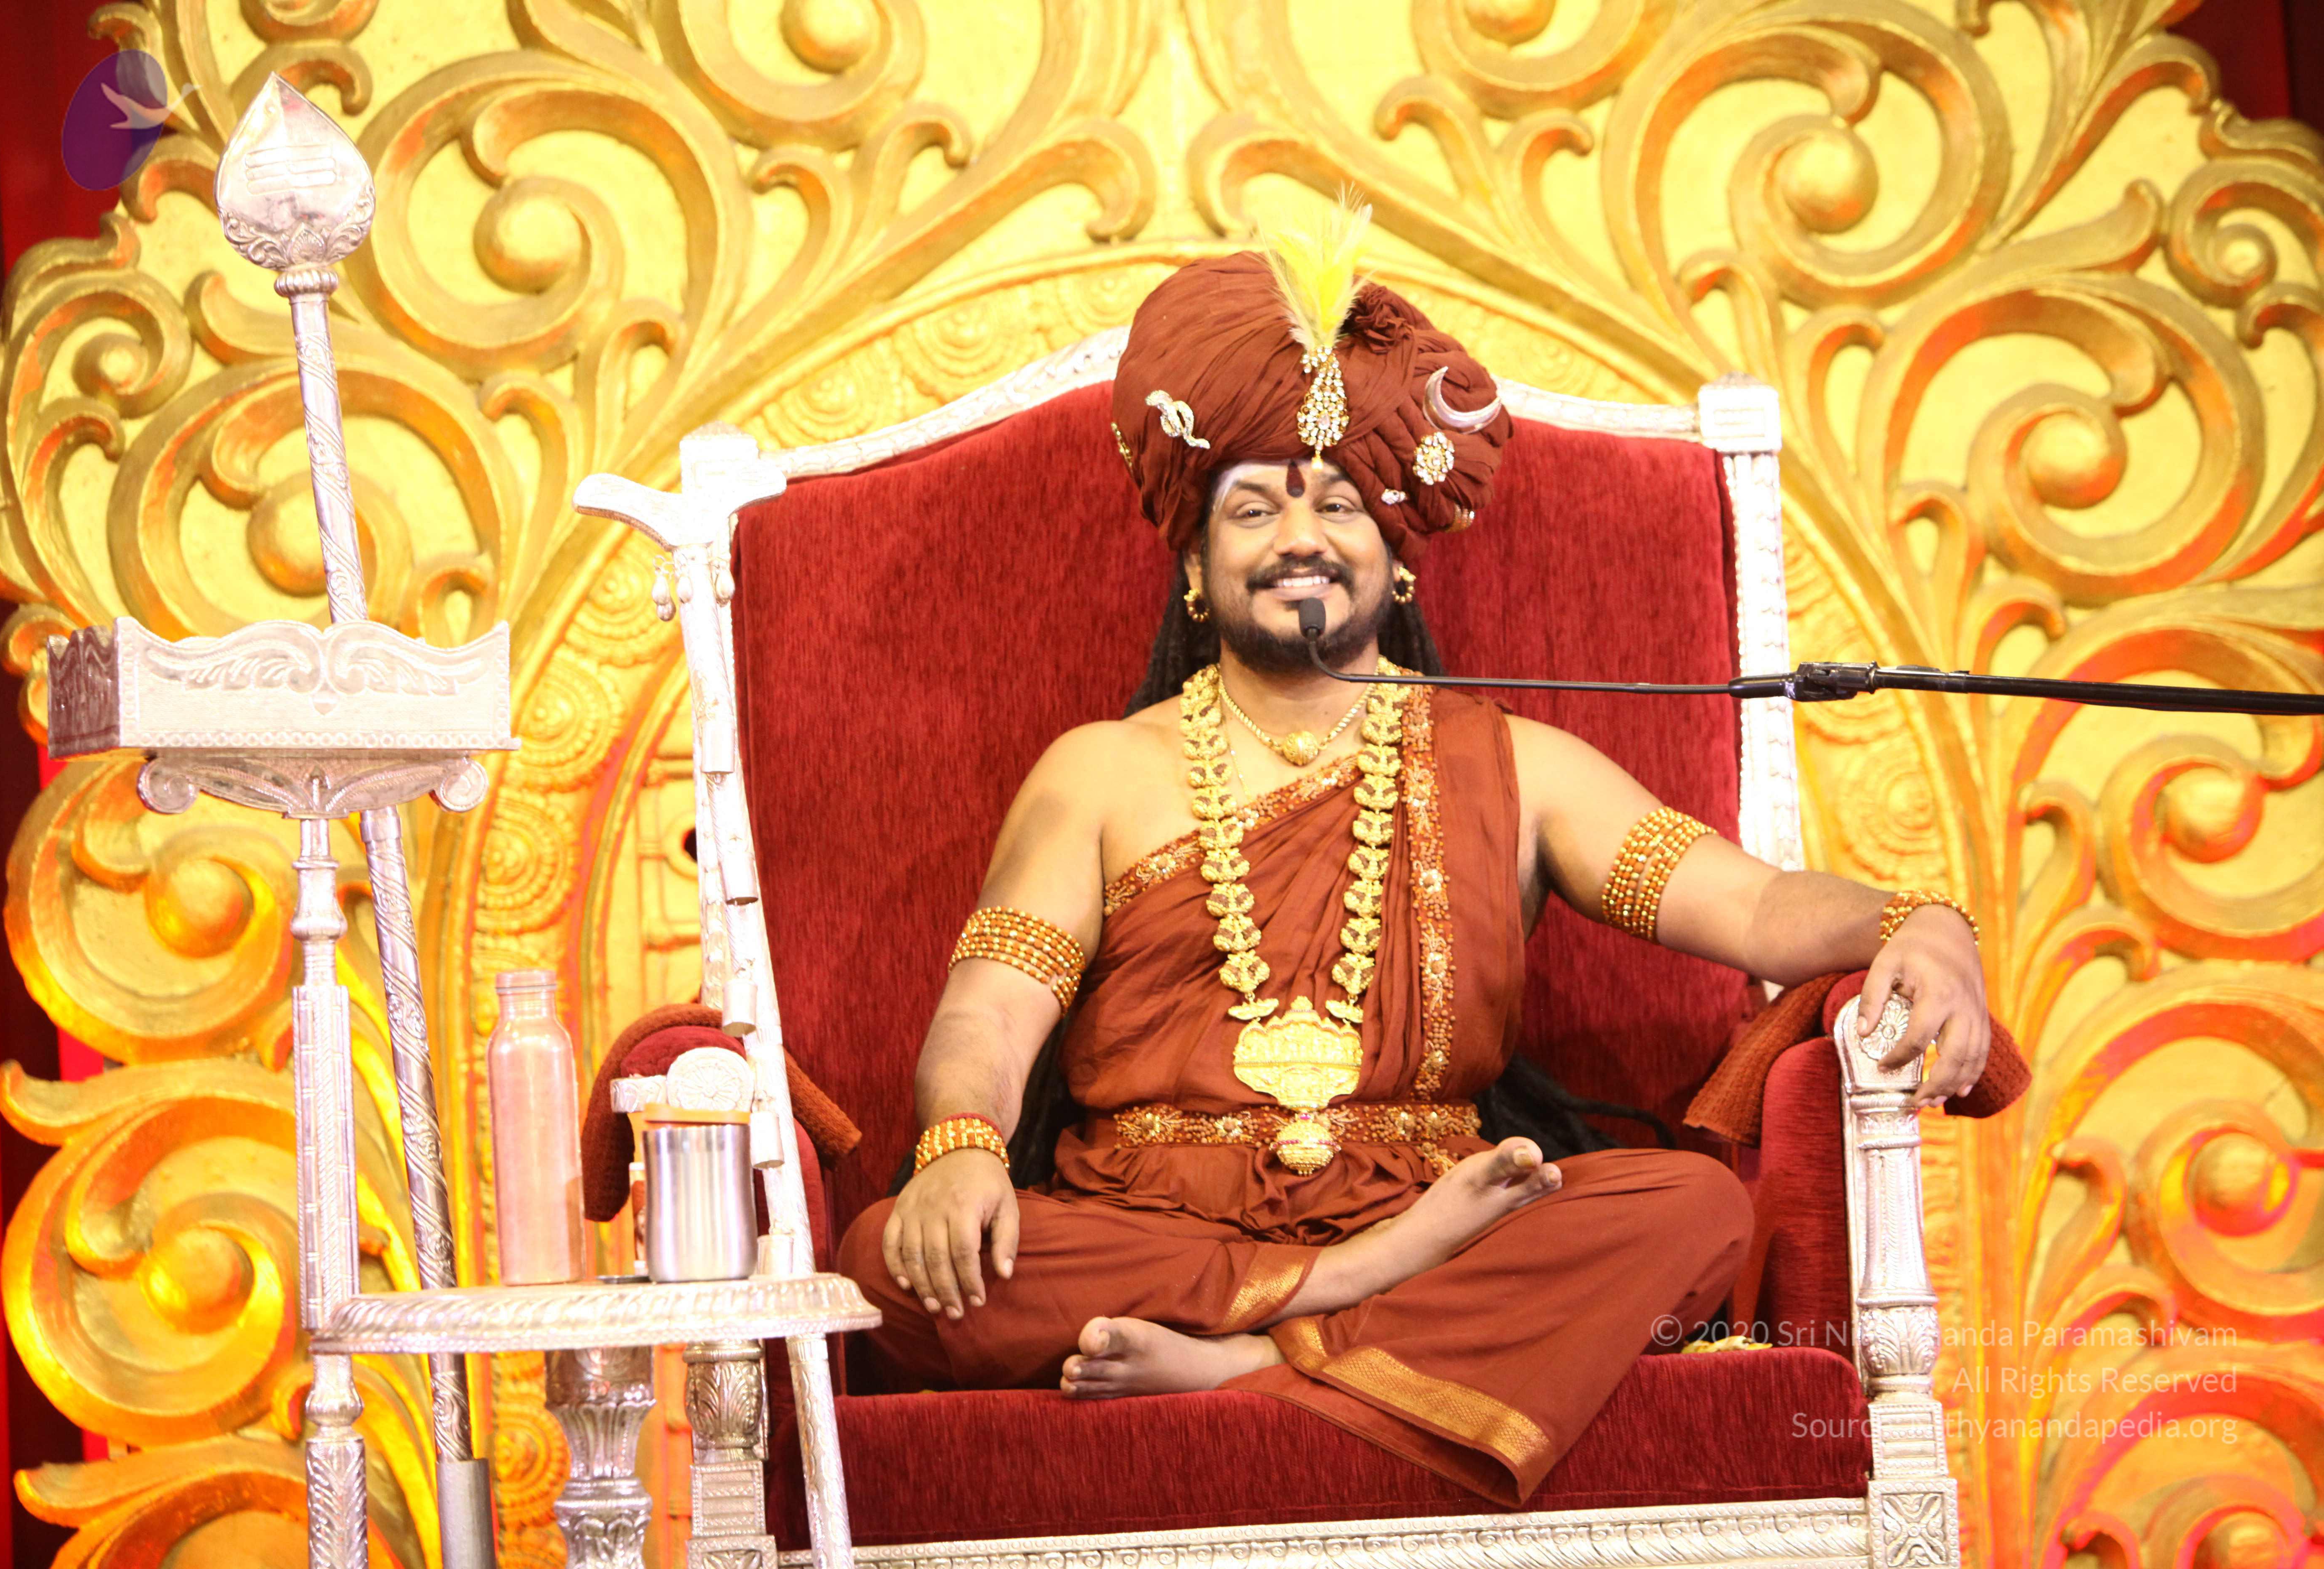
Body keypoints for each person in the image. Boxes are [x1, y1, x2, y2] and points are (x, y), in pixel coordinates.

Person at [837, 209, 1993, 1506]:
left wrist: (1918, 922)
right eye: (1253, 507)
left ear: (1395, 563)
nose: (1300, 536)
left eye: (1339, 503)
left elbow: (1761, 908)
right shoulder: (1099, 772)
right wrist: (961, 1147)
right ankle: (1342, 1308)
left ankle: (1250, 1365)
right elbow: (992, 1012)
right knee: (888, 1264)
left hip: (1442, 1221)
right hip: (1147, 1226)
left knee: (1694, 1210)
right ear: (1197, 571)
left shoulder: (1516, 766)